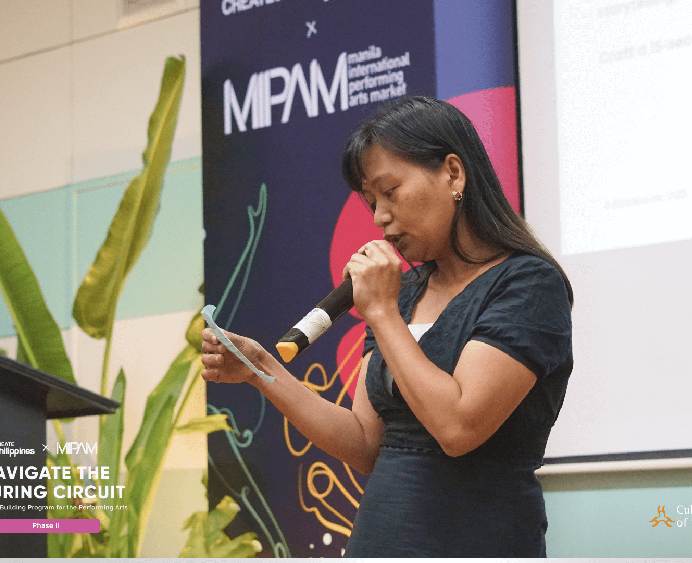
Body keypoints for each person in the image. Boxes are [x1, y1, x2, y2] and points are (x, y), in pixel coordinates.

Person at [200, 95, 573, 557]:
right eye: (371, 201)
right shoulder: (405, 296)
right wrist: (262, 369)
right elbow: (365, 444)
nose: (379, 217)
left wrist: (381, 312)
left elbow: (458, 427)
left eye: (390, 192)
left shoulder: (528, 284)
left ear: (453, 173)